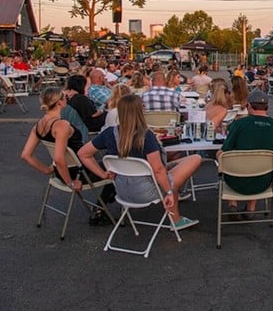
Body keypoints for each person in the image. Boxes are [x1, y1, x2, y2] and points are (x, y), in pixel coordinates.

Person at [78, 94, 202, 230]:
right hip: (146, 191)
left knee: (179, 162)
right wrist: (169, 192)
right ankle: (176, 220)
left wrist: (103, 174)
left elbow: (83, 153)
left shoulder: (109, 133)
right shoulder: (145, 136)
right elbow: (158, 170)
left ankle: (174, 201)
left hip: (122, 190)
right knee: (195, 159)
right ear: (140, 110)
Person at [20, 87, 114, 225]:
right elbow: (59, 158)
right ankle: (100, 211)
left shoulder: (39, 125)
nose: (67, 100)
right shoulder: (61, 125)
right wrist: (70, 182)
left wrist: (47, 170)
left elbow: (26, 155)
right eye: (65, 98)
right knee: (116, 164)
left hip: (61, 173)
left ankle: (101, 209)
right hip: (78, 173)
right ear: (59, 103)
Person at [217, 90, 273, 219]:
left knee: (223, 157)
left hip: (235, 178)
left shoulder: (238, 124)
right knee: (261, 165)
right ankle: (251, 207)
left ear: (249, 106)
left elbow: (225, 152)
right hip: (264, 181)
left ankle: (232, 203)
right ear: (267, 107)